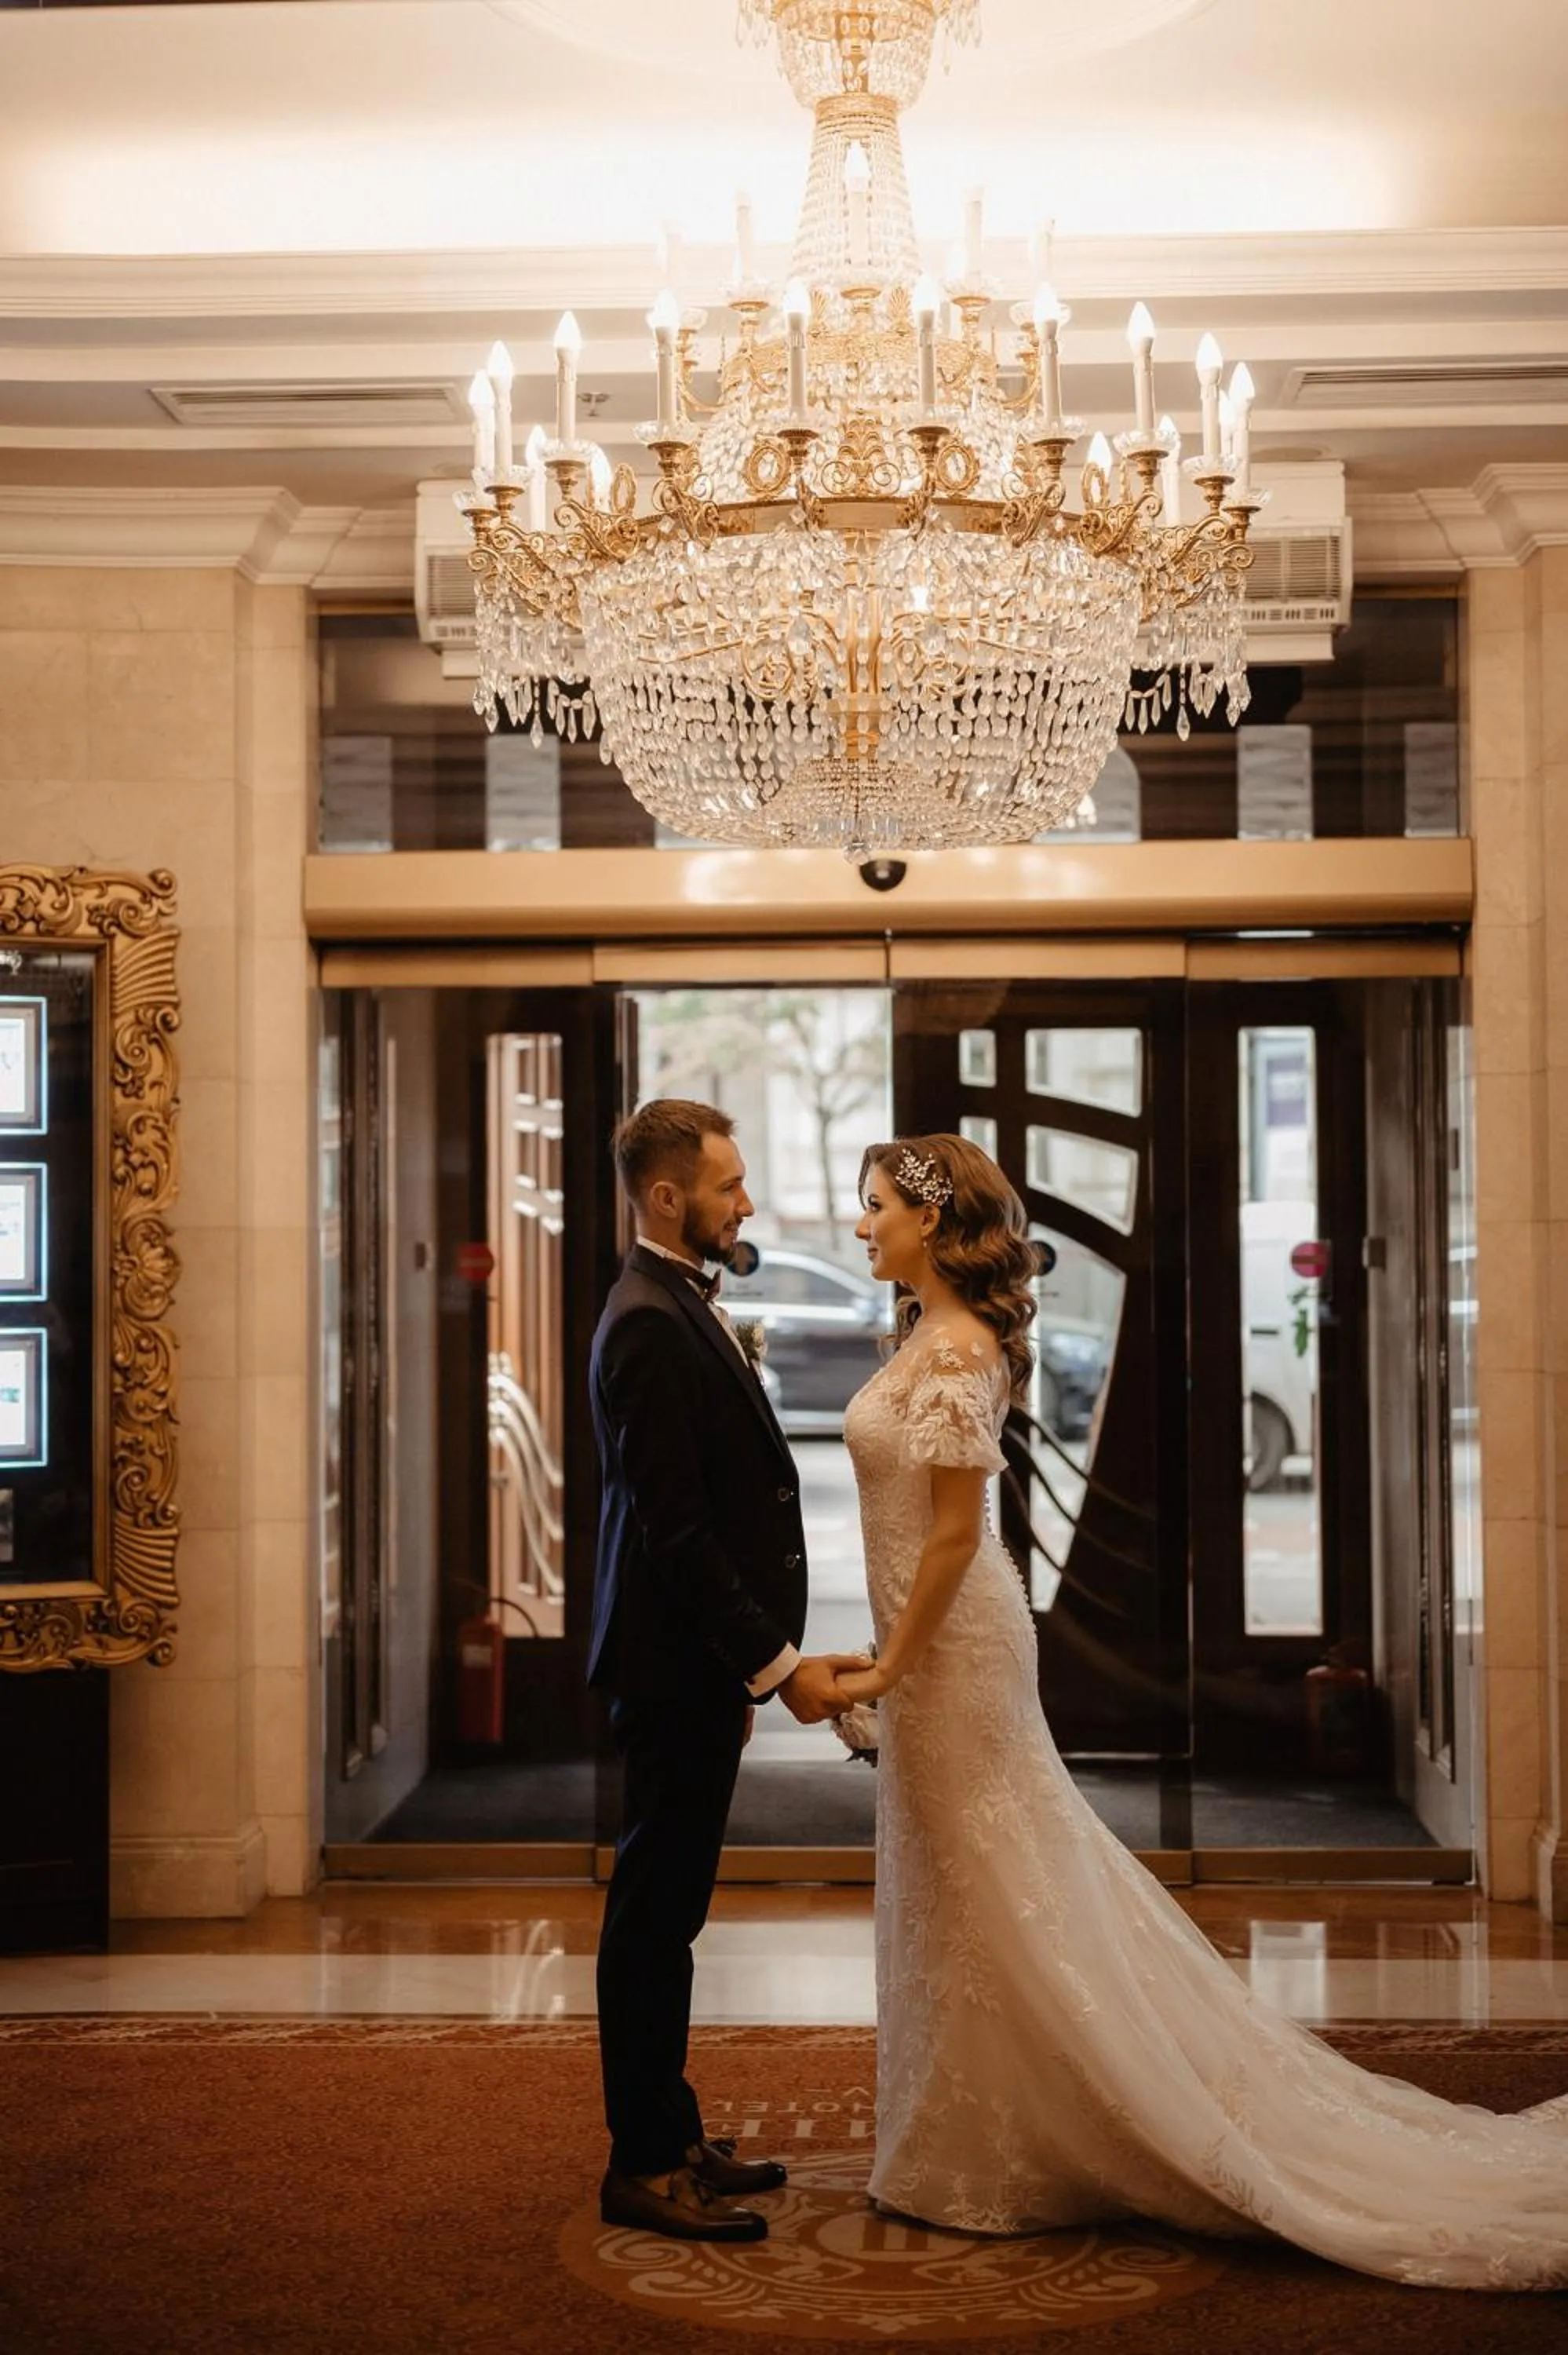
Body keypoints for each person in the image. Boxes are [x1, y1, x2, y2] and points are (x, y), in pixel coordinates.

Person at [833, 1131, 1568, 2290]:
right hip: (924, 1644)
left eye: (874, 1205)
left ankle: (1066, 2122)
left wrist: (884, 1670)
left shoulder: (962, 1346)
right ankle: (969, 2133)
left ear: (932, 1221)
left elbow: (949, 1538)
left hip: (958, 1650)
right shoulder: (922, 1334)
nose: (860, 1223)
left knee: (992, 1874)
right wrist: (878, 1655)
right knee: (958, 1882)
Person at [589, 1097, 857, 2245]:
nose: (745, 1201)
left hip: (690, 1670)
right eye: (728, 1184)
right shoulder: (647, 1320)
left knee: (673, 1914)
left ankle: (671, 2125)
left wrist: (738, 1681)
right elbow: (675, 1531)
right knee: (653, 1920)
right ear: (666, 1197)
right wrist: (775, 1667)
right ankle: (640, 2162)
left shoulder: (671, 1303)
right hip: (669, 1665)